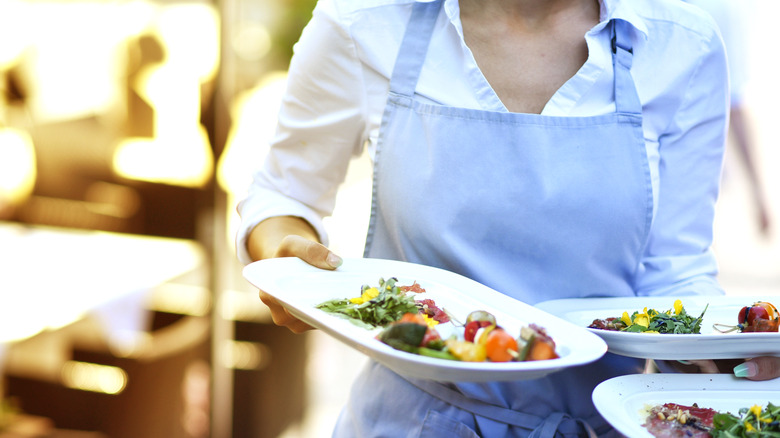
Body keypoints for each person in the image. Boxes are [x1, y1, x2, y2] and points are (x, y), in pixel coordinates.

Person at [236, 0, 778, 436]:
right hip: (408, 423)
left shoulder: (684, 43)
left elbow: (674, 272)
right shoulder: (364, 23)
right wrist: (288, 257)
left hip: (602, 422)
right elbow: (281, 198)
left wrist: (729, 354)